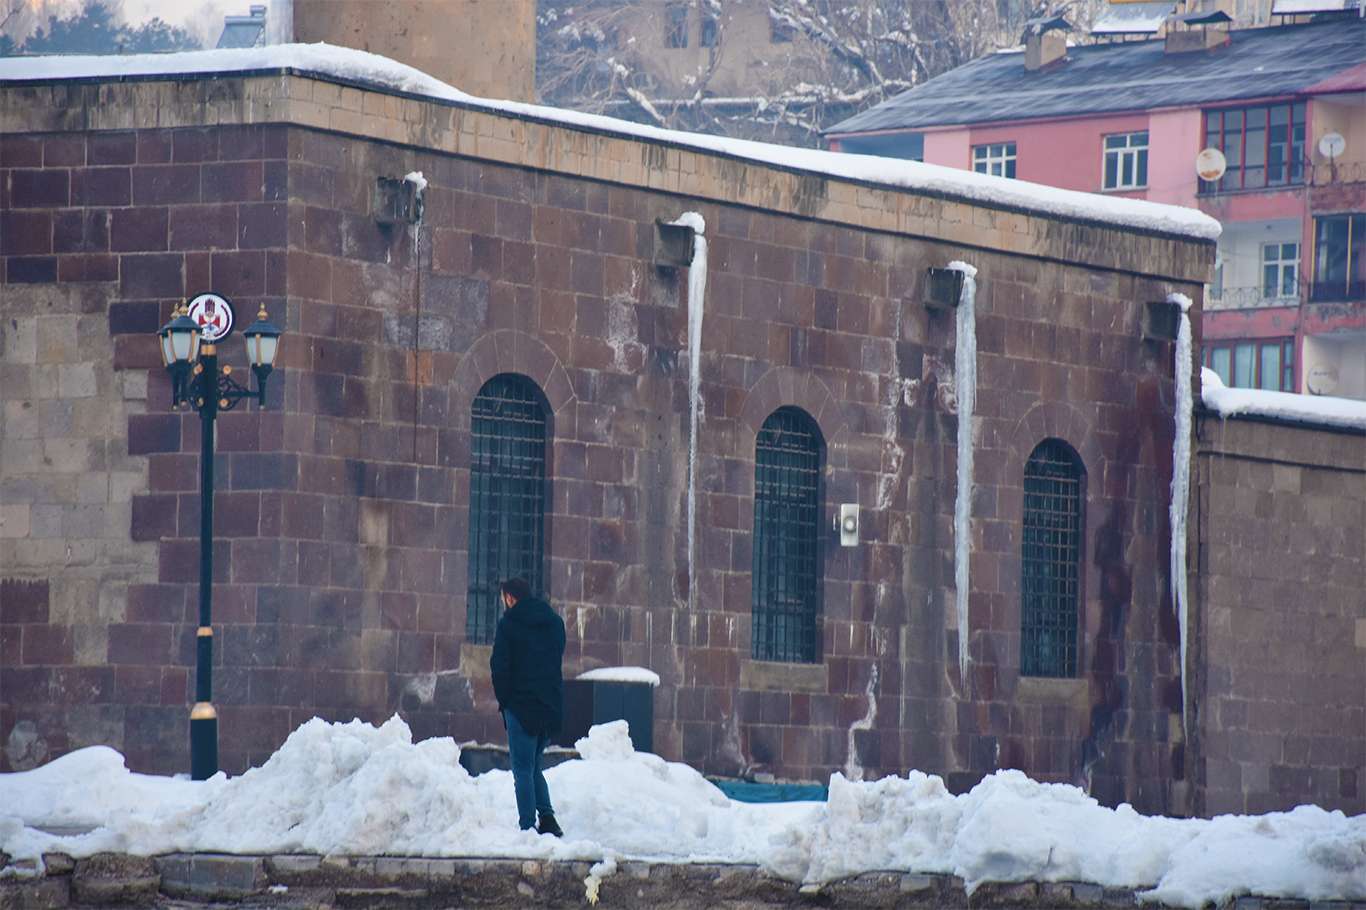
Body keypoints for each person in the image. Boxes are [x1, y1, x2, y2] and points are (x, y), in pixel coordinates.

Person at [489, 577, 566, 837]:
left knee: (522, 769)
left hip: (520, 707)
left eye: (504, 599)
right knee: (533, 765)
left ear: (510, 598)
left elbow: (499, 666)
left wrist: (505, 701)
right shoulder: (555, 623)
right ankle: (547, 818)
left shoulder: (509, 624)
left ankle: (526, 827)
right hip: (549, 706)